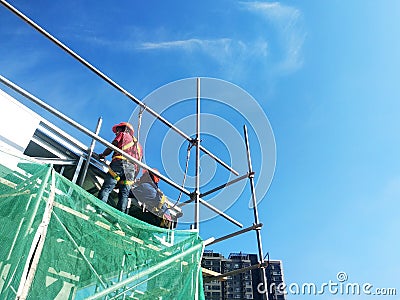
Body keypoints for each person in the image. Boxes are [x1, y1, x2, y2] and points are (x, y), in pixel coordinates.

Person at [98, 122, 142, 213]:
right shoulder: (139, 147)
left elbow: (113, 146)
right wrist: (133, 178)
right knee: (124, 195)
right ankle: (119, 219)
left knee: (107, 188)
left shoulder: (123, 135)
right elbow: (139, 165)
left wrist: (103, 155)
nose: (116, 133)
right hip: (131, 171)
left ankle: (99, 210)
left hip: (119, 163)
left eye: (117, 130)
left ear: (124, 129)